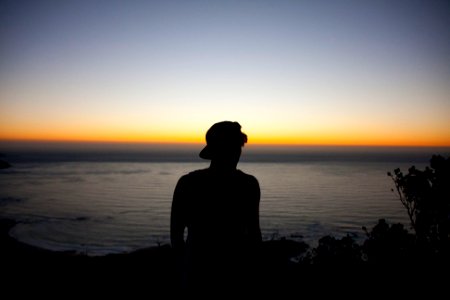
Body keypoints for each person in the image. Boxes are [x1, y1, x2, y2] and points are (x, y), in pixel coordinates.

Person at [170, 121, 262, 290]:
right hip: (218, 275)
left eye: (237, 147)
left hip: (207, 274)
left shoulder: (188, 183)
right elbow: (254, 236)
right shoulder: (248, 184)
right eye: (233, 147)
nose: (236, 153)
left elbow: (176, 237)